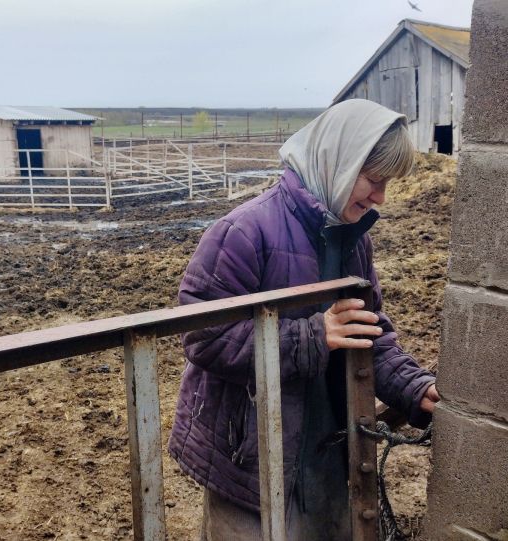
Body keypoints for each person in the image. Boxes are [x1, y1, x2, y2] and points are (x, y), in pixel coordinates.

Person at [168, 99, 440, 541]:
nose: (381, 198)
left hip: (327, 447)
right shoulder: (243, 232)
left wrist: (415, 388)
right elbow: (204, 338)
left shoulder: (354, 240)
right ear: (339, 161)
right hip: (252, 454)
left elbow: (367, 334)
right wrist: (314, 335)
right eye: (373, 180)